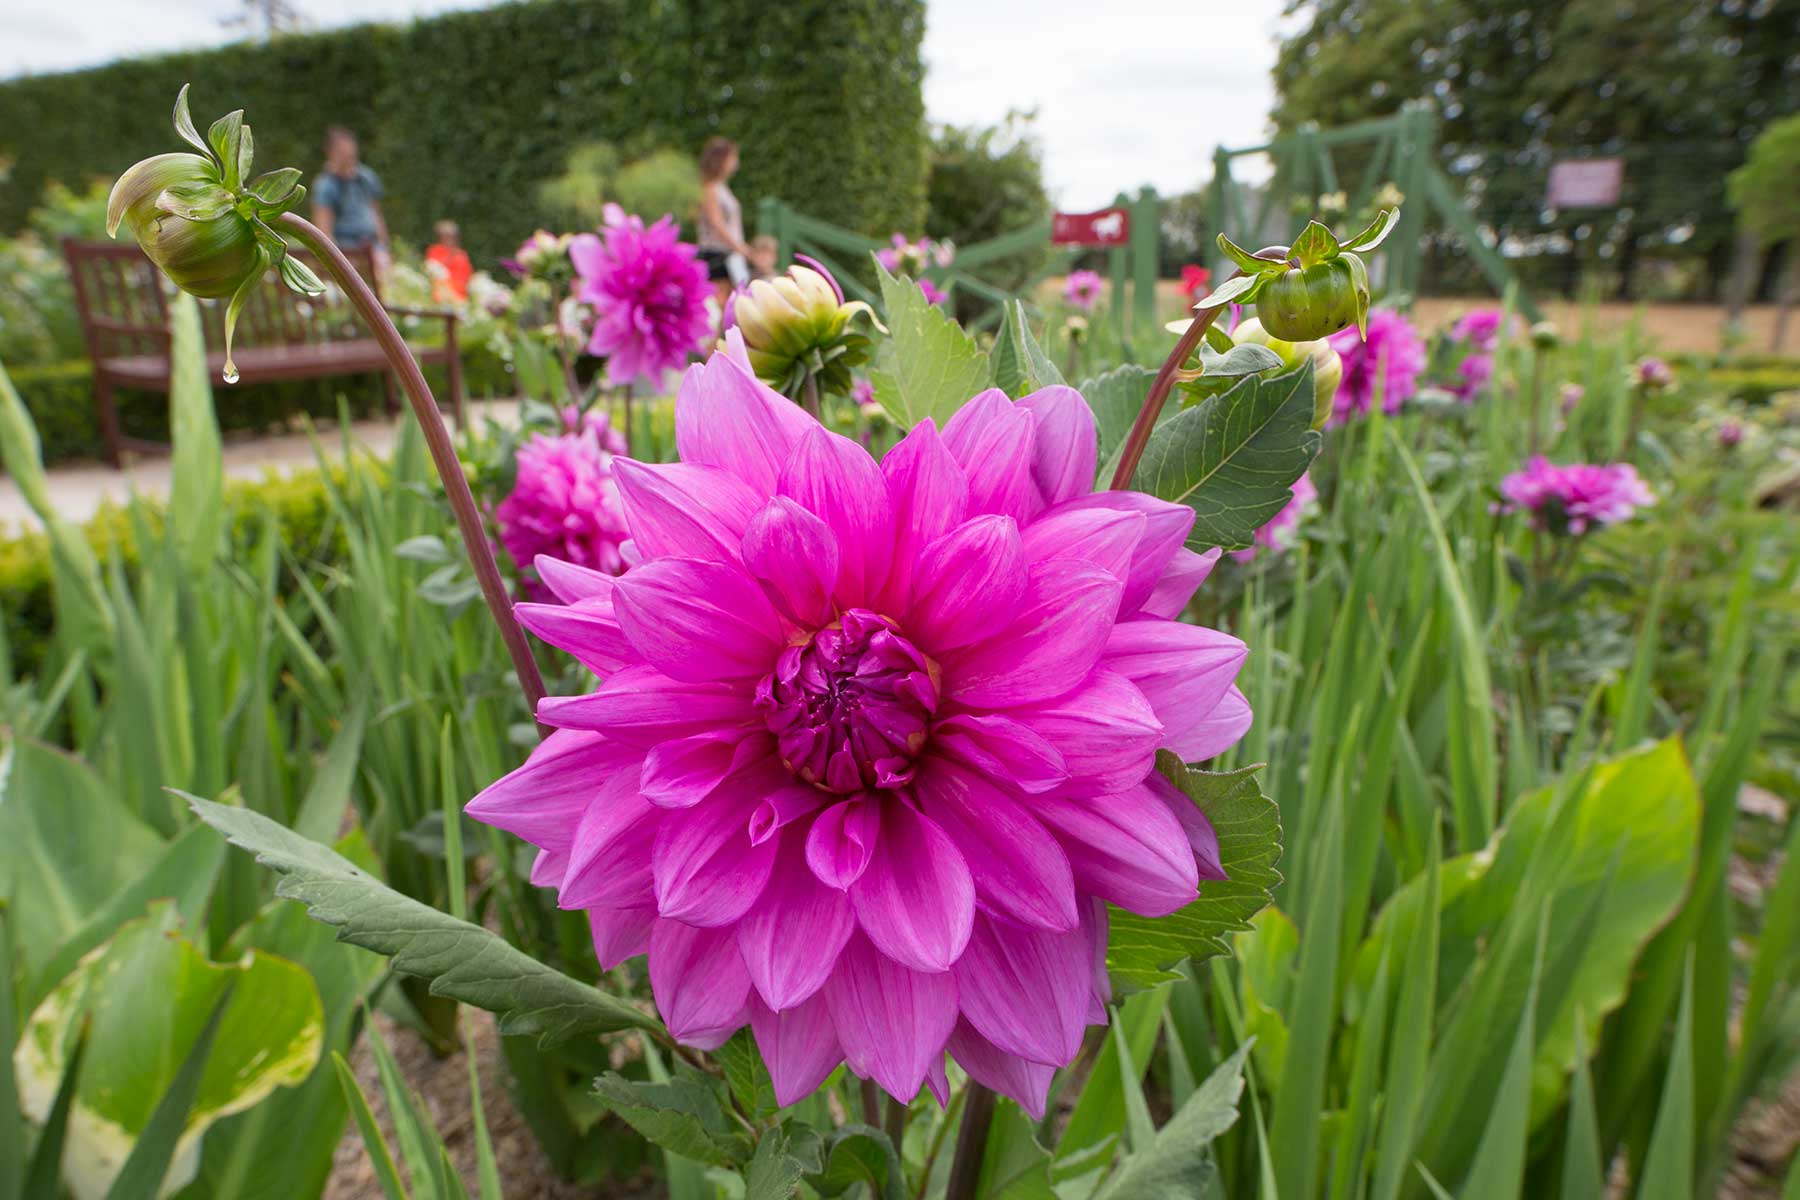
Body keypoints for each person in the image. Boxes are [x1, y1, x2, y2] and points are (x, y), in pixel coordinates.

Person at [696, 136, 755, 311]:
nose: (736, 162)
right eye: (733, 157)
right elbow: (716, 223)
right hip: (718, 253)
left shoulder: (721, 187)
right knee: (718, 303)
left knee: (731, 302)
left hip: (728, 252)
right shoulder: (710, 188)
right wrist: (739, 247)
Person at [312, 127, 389, 257]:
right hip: (347, 251)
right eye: (343, 154)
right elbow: (323, 230)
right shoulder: (325, 185)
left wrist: (385, 248)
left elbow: (377, 216)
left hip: (373, 247)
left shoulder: (366, 177)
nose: (349, 158)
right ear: (331, 153)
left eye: (351, 154)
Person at [426, 219, 472, 302]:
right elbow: (435, 270)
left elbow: (468, 274)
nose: (449, 239)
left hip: (461, 294)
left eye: (452, 236)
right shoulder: (434, 250)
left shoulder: (462, 254)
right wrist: (450, 254)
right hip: (442, 292)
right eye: (446, 236)